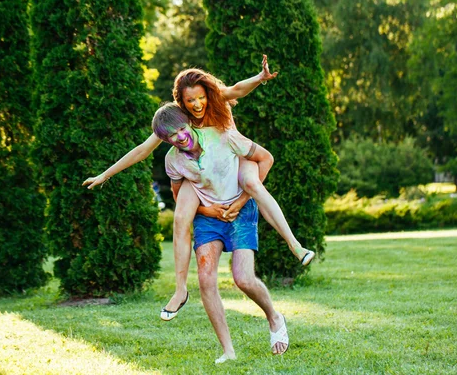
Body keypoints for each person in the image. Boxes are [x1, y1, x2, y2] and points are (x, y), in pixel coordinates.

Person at [83, 56, 314, 320]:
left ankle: (295, 246)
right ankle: (180, 290)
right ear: (181, 102)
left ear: (207, 93)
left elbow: (237, 89)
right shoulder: (180, 120)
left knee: (252, 184)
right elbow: (142, 151)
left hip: (236, 159)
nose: (196, 104)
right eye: (190, 100)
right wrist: (105, 175)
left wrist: (260, 78)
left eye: (200, 98)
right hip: (199, 171)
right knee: (181, 218)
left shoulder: (217, 101)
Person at [152, 103, 289, 362]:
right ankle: (228, 350)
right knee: (205, 279)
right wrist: (208, 211)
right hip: (208, 217)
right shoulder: (172, 160)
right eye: (172, 135)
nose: (180, 136)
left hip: (239, 210)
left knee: (244, 279)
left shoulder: (220, 135)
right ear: (164, 139)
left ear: (189, 123)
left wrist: (240, 201)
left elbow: (262, 160)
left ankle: (274, 316)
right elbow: (179, 198)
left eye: (182, 128)